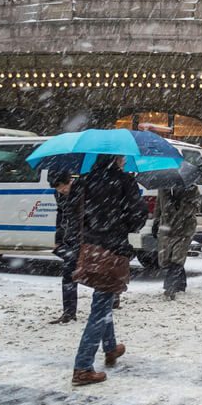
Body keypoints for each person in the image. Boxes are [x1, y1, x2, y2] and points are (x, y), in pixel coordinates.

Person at [70, 154, 148, 386]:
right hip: (112, 250)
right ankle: (83, 367)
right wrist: (123, 222)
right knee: (101, 306)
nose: (124, 160)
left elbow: (73, 213)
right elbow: (138, 216)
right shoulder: (124, 181)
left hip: (90, 249)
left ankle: (111, 347)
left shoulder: (84, 181)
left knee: (102, 299)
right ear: (115, 158)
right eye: (122, 157)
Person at [156, 182, 201, 300]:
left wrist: (180, 204)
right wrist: (156, 221)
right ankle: (181, 284)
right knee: (166, 259)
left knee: (177, 258)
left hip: (184, 229)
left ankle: (170, 287)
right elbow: (159, 205)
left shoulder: (192, 188)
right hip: (167, 228)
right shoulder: (163, 187)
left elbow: (194, 207)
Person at [49, 170, 79, 324]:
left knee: (93, 272)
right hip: (70, 238)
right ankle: (69, 312)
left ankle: (111, 296)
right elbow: (60, 215)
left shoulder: (81, 191)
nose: (60, 191)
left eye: (62, 187)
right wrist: (58, 238)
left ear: (69, 181)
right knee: (68, 272)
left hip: (85, 237)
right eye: (57, 189)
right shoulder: (59, 195)